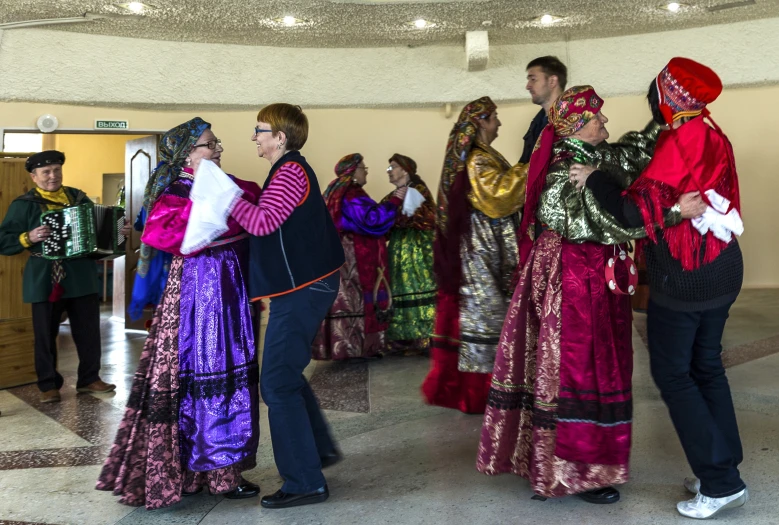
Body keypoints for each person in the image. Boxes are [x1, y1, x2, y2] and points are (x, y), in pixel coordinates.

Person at [476, 85, 705, 504]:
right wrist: (675, 213)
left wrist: (668, 114)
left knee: (602, 363)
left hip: (596, 278)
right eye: (597, 118)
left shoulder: (594, 157)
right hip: (572, 281)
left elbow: (632, 153)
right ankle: (572, 471)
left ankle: (591, 463)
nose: (605, 123)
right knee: (578, 366)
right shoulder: (565, 169)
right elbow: (609, 220)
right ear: (578, 126)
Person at [570, 58, 748, 519]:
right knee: (707, 366)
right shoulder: (711, 132)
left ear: (668, 96)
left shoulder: (677, 140)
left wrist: (596, 179)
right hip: (723, 266)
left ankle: (721, 481)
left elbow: (634, 213)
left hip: (688, 276)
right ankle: (723, 468)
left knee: (674, 374)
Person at [97, 118, 261, 509]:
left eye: (216, 142)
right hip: (201, 296)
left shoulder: (230, 183)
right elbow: (162, 233)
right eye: (208, 144)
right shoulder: (176, 191)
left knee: (228, 372)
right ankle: (204, 472)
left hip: (230, 292)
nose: (217, 148)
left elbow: (258, 210)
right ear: (187, 155)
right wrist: (210, 206)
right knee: (207, 371)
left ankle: (217, 468)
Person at [227, 103, 345, 509]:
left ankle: (303, 482)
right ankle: (315, 453)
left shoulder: (291, 170)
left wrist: (223, 197)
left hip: (305, 287)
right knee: (285, 376)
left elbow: (262, 223)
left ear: (280, 136)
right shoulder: (286, 170)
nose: (254, 137)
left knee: (276, 381)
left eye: (259, 129)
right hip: (303, 286)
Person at [421, 96, 528, 414]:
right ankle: (481, 393)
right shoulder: (477, 159)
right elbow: (498, 197)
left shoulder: (482, 154)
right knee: (486, 315)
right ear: (480, 121)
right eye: (494, 117)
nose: (499, 123)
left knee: (490, 313)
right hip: (480, 252)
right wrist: (532, 165)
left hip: (487, 248)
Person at [0, 150, 122, 403]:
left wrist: (117, 229)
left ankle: (89, 379)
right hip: (44, 277)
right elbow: (4, 241)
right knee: (44, 334)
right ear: (34, 177)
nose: (52, 176)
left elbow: (97, 231)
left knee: (89, 332)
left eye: (57, 170)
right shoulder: (23, 206)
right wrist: (29, 237)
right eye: (46, 172)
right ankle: (48, 385)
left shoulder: (78, 198)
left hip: (82, 276)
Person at [313, 154, 407, 360]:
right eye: (363, 168)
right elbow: (372, 219)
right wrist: (395, 200)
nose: (366, 171)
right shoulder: (351, 193)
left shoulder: (334, 191)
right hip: (355, 256)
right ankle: (357, 347)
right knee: (357, 299)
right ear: (353, 171)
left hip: (340, 256)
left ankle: (346, 346)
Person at [381, 153, 437, 354]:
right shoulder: (394, 196)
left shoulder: (418, 190)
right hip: (398, 250)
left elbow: (429, 217)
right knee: (399, 289)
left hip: (418, 250)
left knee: (420, 286)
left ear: (405, 170)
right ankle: (402, 339)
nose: (389, 171)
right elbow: (381, 218)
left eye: (392, 167)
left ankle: (424, 337)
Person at [520, 56, 567, 163]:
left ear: (552, 81)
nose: (528, 86)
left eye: (533, 79)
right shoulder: (537, 122)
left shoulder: (570, 121)